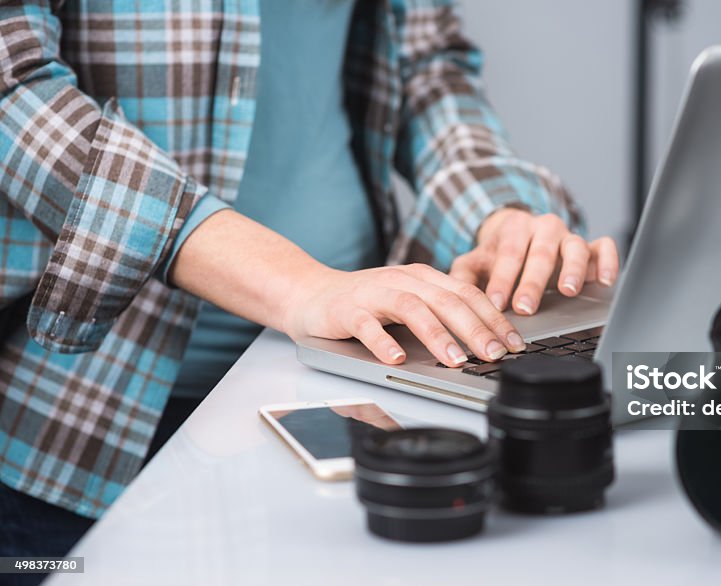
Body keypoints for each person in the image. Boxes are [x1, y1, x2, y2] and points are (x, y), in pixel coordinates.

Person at [0, 0, 619, 571]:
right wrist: (297, 286)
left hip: (351, 373)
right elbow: (13, 83)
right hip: (91, 413)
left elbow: (428, 66)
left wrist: (497, 212)